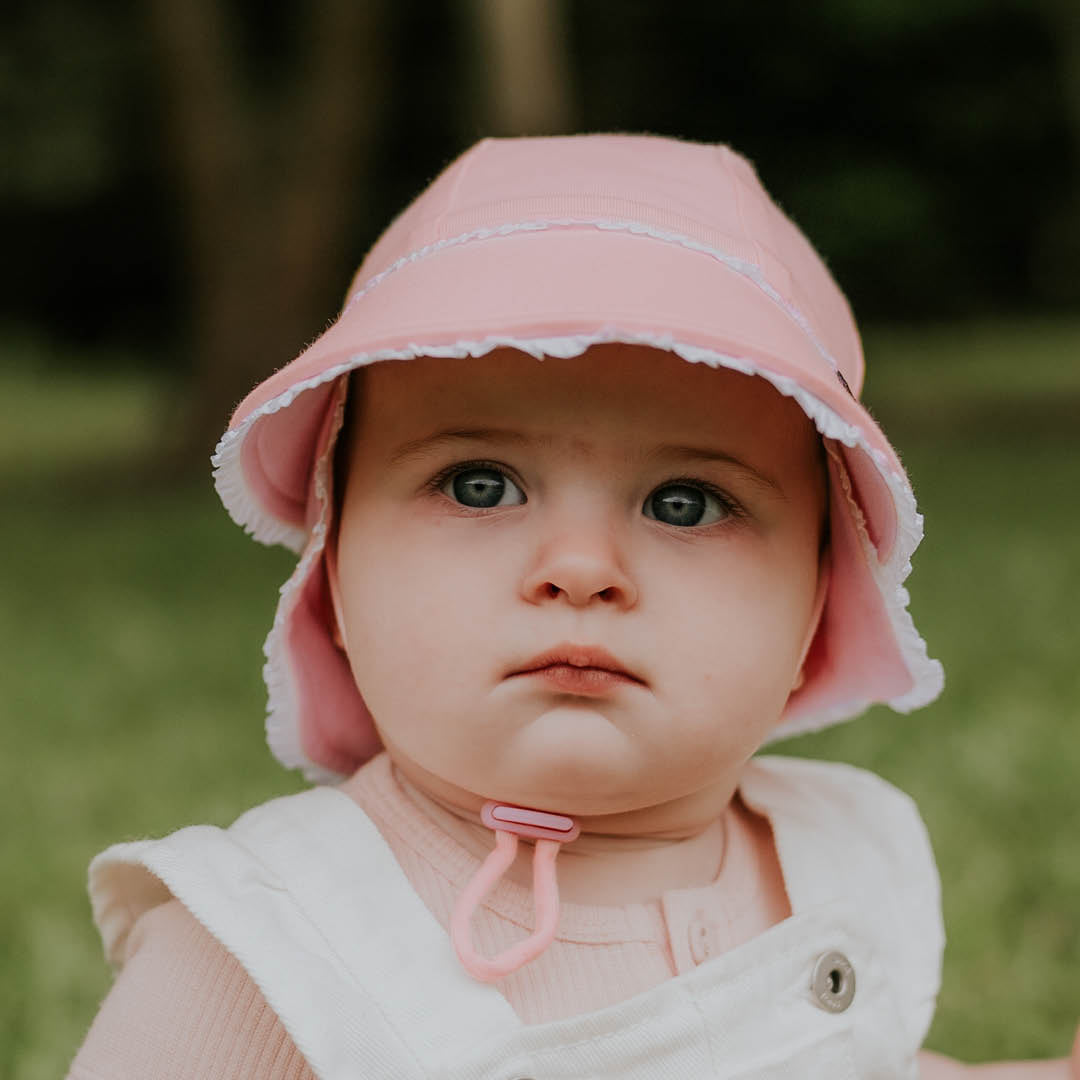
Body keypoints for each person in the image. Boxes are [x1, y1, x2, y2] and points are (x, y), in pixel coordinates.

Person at [67, 134, 1079, 1078]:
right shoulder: (271, 948)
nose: (582, 569)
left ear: (819, 606)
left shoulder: (836, 865)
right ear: (330, 575)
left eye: (686, 504)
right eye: (479, 486)